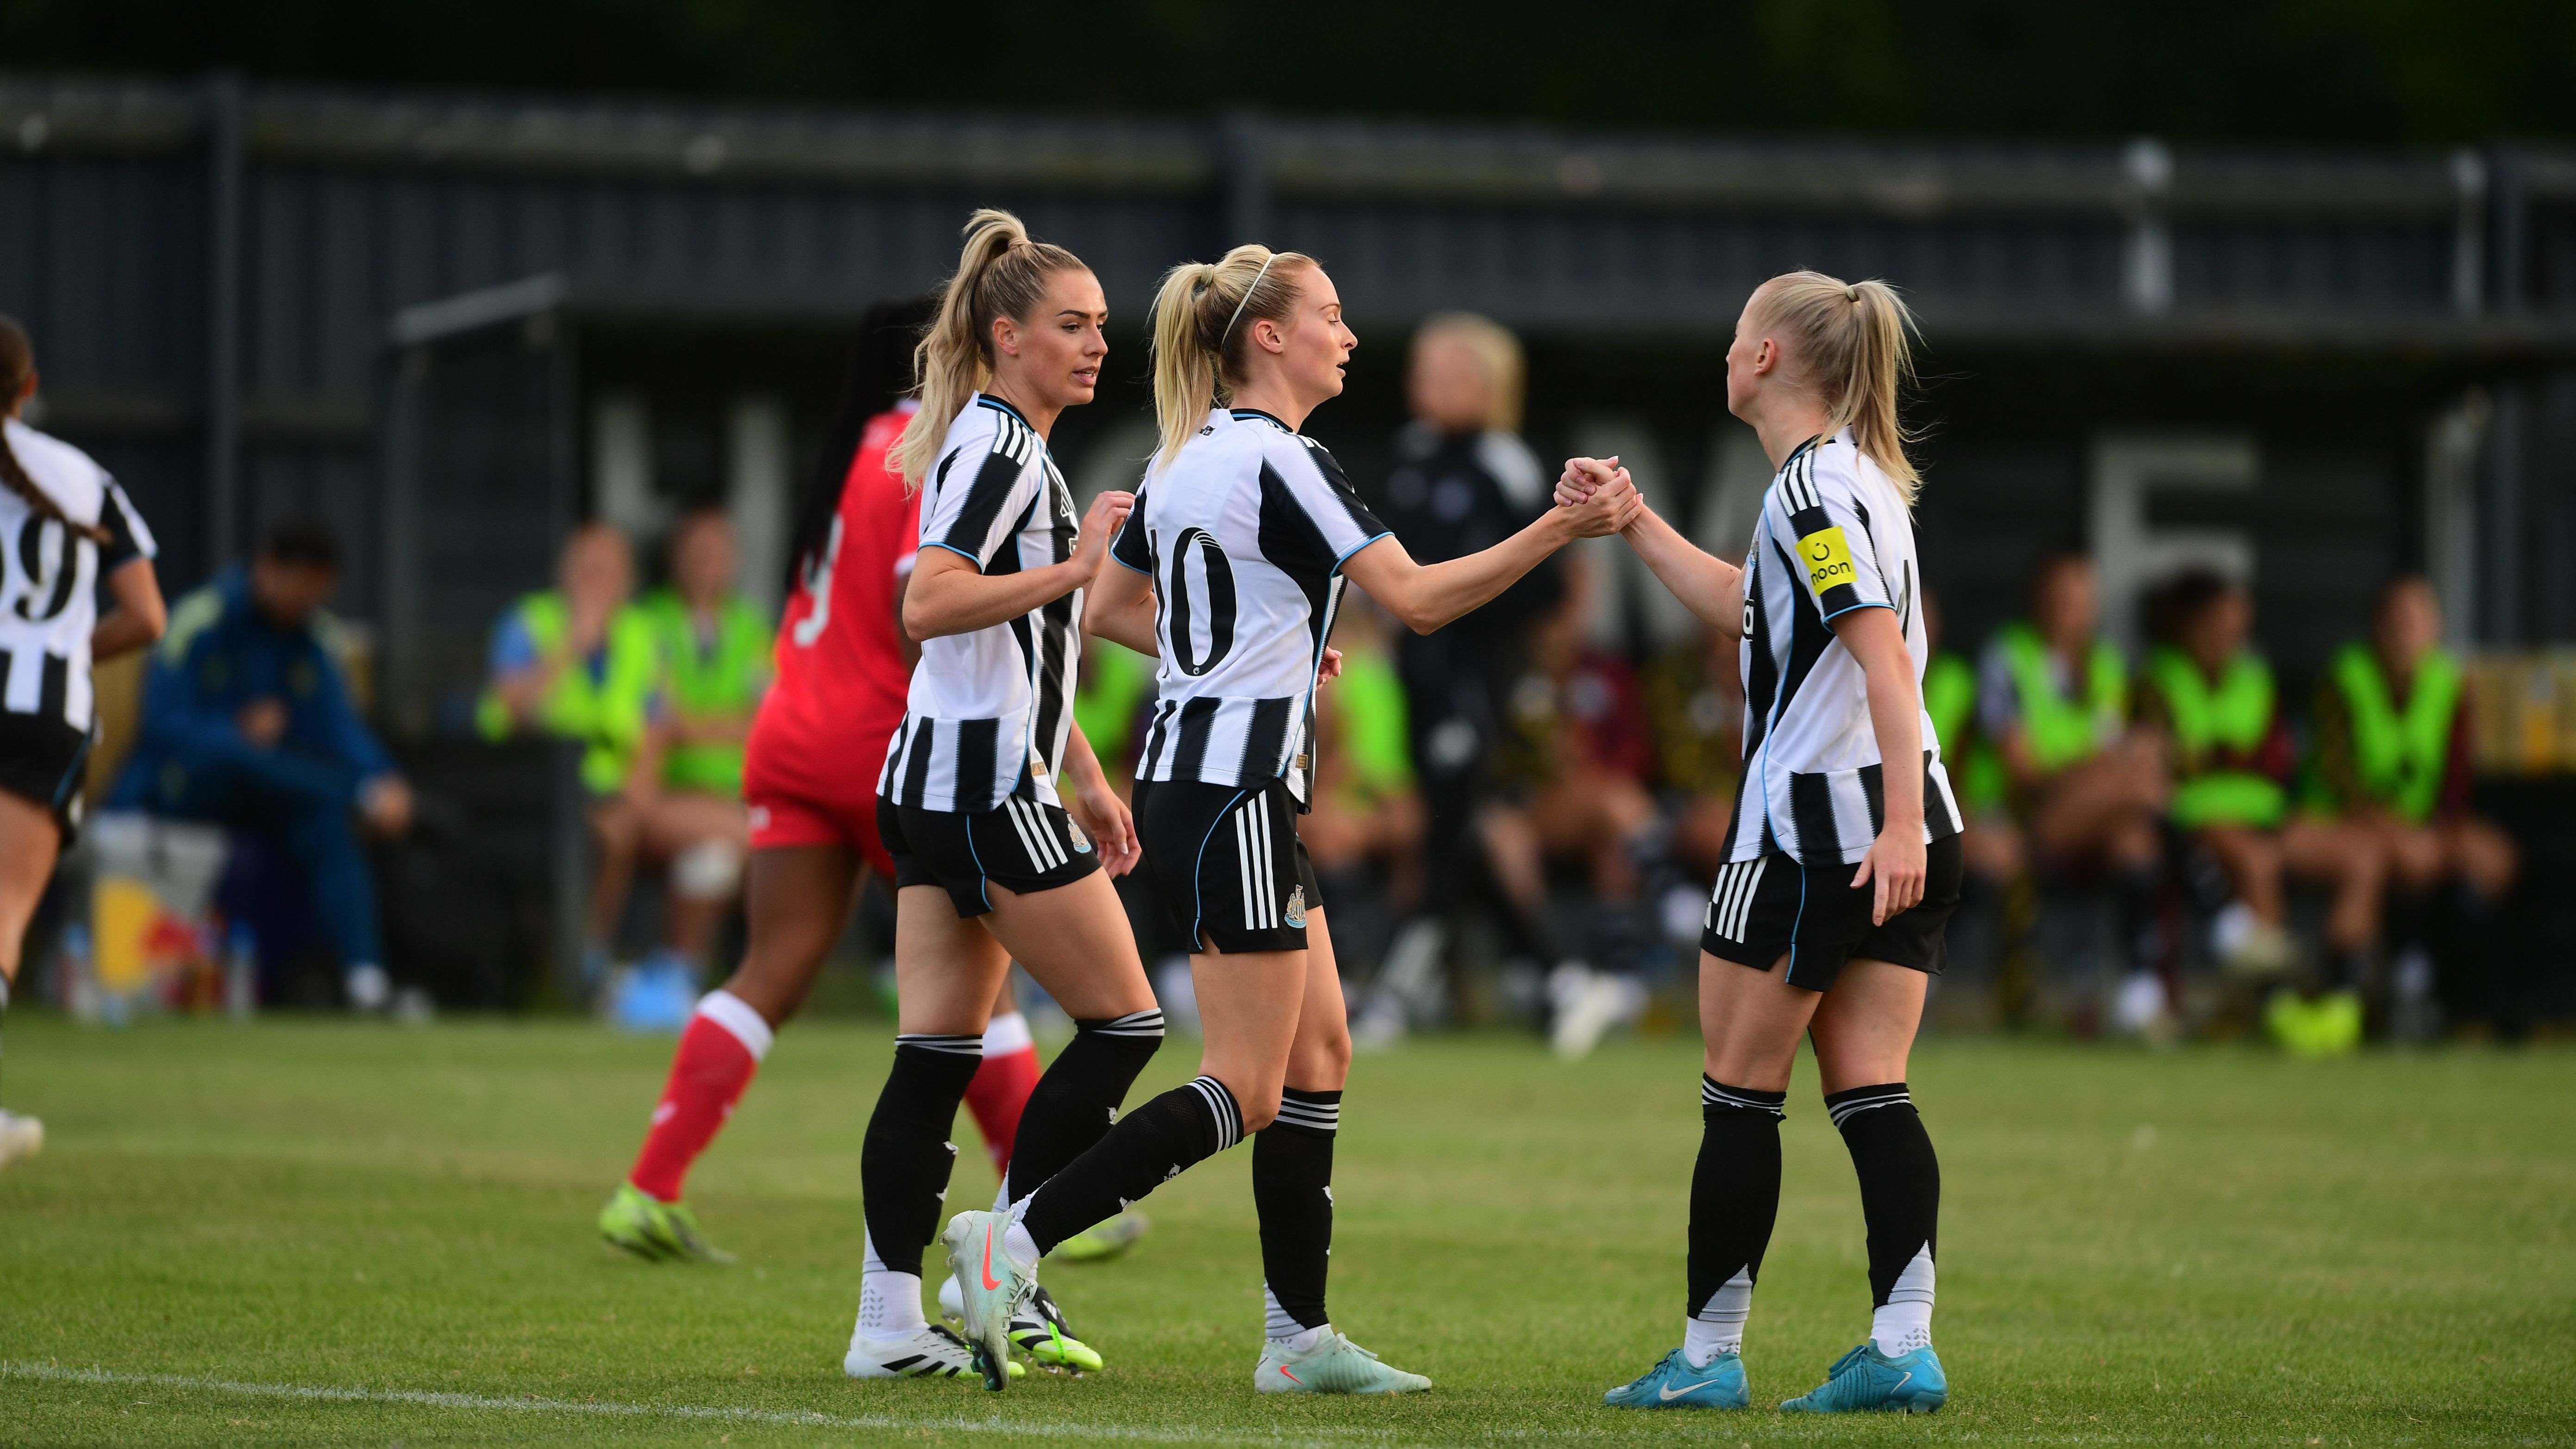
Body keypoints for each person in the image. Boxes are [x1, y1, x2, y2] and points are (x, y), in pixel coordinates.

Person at [953, 242, 1638, 1396]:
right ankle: (1009, 1240)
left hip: (1202, 786)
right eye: (1329, 314)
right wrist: (1560, 533)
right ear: (1266, 338)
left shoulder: (1183, 457)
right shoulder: (1284, 458)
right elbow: (1417, 601)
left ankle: (1297, 1337)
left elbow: (1114, 609)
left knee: (1321, 1052)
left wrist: (1242, 650)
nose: (1349, 333)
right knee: (1248, 1082)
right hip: (1230, 799)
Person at [596, 301, 1137, 1295]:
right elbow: (923, 613)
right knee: (992, 986)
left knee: (779, 970)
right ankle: (1043, 1203)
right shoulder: (942, 446)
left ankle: (650, 1185)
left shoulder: (857, 448)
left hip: (788, 733)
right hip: (889, 742)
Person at [1572, 272, 1959, 1414]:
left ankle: (1706, 1358)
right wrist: (1637, 522)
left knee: (1739, 1095)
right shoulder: (1853, 483)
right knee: (1871, 1089)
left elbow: (1881, 657)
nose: (1727, 350)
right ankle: (1901, 1347)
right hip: (1905, 817)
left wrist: (1887, 824)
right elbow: (1764, 610)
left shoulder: (1811, 490)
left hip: (1817, 833)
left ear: (1771, 361)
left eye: (1740, 334)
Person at [850, 210, 1167, 1385]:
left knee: (933, 1054)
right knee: (1127, 1023)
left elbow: (1008, 644)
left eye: (1099, 327)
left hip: (937, 782)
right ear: (1005, 336)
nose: (1096, 345)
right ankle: (1006, 1263)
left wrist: (1083, 770)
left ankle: (888, 1324)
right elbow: (930, 605)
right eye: (1072, 326)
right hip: (982, 791)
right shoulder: (997, 450)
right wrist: (1081, 567)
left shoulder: (1001, 442)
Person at [112, 522, 410, 1011]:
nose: (308, 599)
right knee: (241, 756)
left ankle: (366, 981)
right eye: (300, 585)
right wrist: (233, 728)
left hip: (276, 794)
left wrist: (380, 774)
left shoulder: (313, 637)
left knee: (327, 823)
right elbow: (163, 721)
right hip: (184, 785)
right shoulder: (202, 618)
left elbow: (338, 727)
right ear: (268, 570)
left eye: (319, 589)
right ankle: (349, 793)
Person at [0, 312, 165, 1170]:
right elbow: (146, 616)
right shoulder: (82, 476)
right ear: (28, 390)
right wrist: (61, 648)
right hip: (44, 715)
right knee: (3, 912)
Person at [1374, 314, 1568, 1017]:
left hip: (1476, 680)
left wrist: (1460, 608)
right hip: (1413, 678)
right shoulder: (1410, 456)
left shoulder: (1506, 465)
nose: (1421, 383)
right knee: (1455, 828)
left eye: (1441, 371)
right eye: (1419, 369)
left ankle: (1403, 985)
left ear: (1485, 384)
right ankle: (1556, 977)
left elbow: (1545, 584)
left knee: (1454, 827)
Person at [2137, 570, 2383, 1022]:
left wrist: (2219, 757)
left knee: (2361, 857)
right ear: (2191, 624)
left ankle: (2342, 1001)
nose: (2231, 636)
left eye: (2239, 625)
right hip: (2201, 823)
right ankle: (2277, 1002)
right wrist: (2226, 761)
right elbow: (2167, 769)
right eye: (2220, 624)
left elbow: (2276, 762)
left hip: (2270, 818)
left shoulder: (2256, 680)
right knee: (2258, 862)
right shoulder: (2158, 680)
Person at [2304, 576, 2516, 1035]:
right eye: (2397, 620)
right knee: (2374, 860)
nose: (2406, 631)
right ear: (2378, 626)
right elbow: (2341, 774)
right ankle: (2347, 997)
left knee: (2491, 860)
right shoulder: (2347, 677)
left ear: (2436, 630)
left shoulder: (2450, 683)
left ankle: (2456, 998)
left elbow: (2458, 776)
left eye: (2417, 621)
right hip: (2347, 822)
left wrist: (2438, 833)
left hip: (2423, 827)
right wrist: (2398, 830)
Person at [1483, 557, 1662, 1056]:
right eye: (1567, 598)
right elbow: (1494, 761)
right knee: (1505, 837)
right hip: (1529, 812)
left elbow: (1638, 752)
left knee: (1618, 808)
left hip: (1598, 807)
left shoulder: (1605, 669)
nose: (1575, 610)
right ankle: (1563, 975)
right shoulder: (1511, 666)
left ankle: (1621, 979)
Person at [478, 523, 659, 986]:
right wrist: (570, 648)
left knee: (711, 840)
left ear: (628, 581)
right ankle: (578, 967)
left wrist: (642, 791)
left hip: (606, 789)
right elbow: (514, 710)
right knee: (611, 833)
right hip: (527, 788)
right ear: (562, 573)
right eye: (584, 568)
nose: (593, 581)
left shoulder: (641, 635)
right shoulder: (527, 623)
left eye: (606, 571)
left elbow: (658, 724)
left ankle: (626, 967)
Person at [1977, 554, 2167, 994]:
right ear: (2038, 600)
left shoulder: (2108, 665)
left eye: (2083, 600)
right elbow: (2024, 773)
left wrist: (2106, 772)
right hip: (2028, 814)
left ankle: (2139, 994)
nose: (2071, 610)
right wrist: (2101, 770)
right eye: (2061, 598)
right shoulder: (2007, 657)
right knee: (2142, 782)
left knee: (2134, 837)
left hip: (2093, 815)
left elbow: (2117, 751)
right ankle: (2214, 901)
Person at [619, 508, 768, 1011]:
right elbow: (655, 717)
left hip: (734, 795)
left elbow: (764, 718)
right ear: (675, 557)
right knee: (741, 840)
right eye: (697, 550)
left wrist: (691, 726)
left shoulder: (750, 627)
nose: (709, 562)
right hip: (666, 793)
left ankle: (675, 976)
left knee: (716, 858)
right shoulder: (648, 622)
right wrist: (725, 725)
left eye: (720, 551)